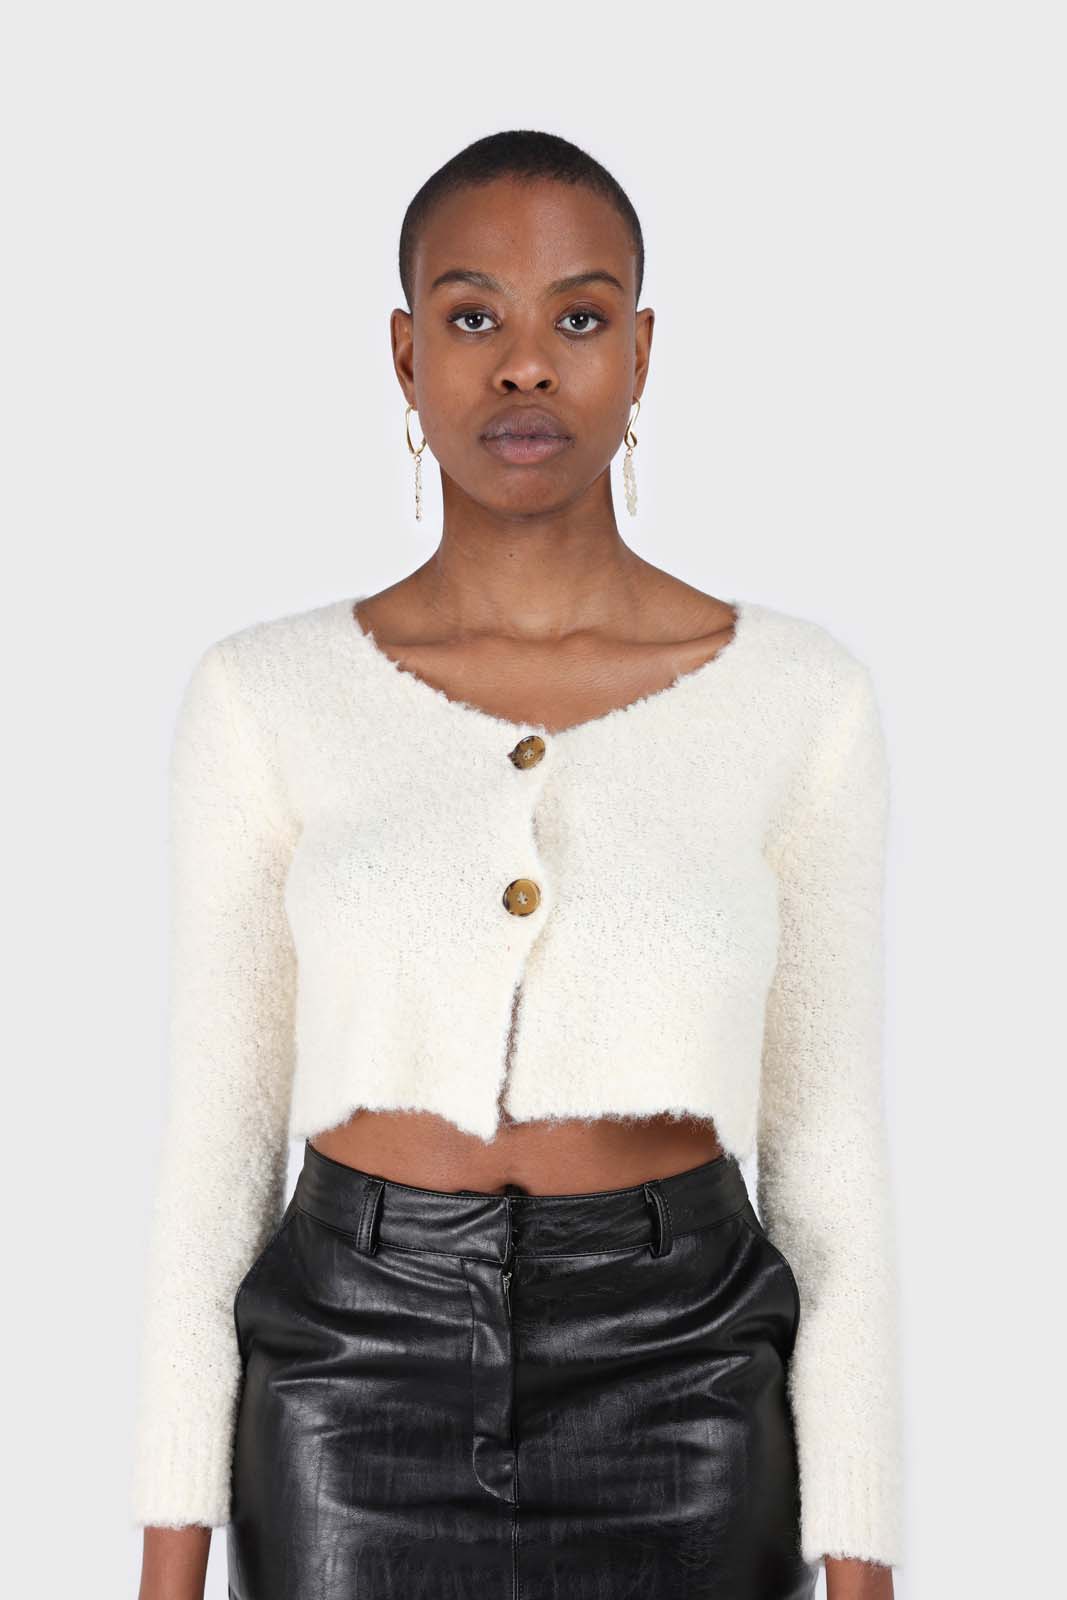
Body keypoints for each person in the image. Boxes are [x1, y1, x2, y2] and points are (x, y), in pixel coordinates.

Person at [132, 129, 904, 1600]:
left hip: (687, 1373)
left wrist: (861, 1562)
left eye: (581, 318)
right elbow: (217, 1143)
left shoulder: (800, 700)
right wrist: (167, 1565)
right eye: (475, 315)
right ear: (406, 354)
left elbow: (830, 1159)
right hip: (347, 1374)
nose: (527, 367)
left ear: (642, 353)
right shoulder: (264, 696)